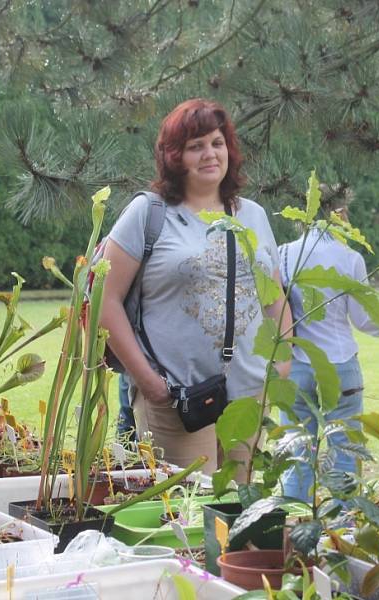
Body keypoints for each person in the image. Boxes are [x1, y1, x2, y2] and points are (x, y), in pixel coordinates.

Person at [100, 98, 291, 476]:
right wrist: (149, 382)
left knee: (239, 511)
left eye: (217, 143)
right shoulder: (150, 213)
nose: (210, 154)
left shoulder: (252, 215)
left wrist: (281, 366)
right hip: (178, 398)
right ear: (174, 156)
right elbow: (104, 299)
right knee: (185, 516)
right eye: (195, 146)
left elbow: (274, 295)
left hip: (249, 396)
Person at [279, 188, 379, 502]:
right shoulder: (350, 259)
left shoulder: (285, 254)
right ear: (340, 213)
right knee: (344, 454)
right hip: (341, 366)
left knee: (296, 454)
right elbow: (364, 320)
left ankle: (291, 524)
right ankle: (341, 531)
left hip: (297, 366)